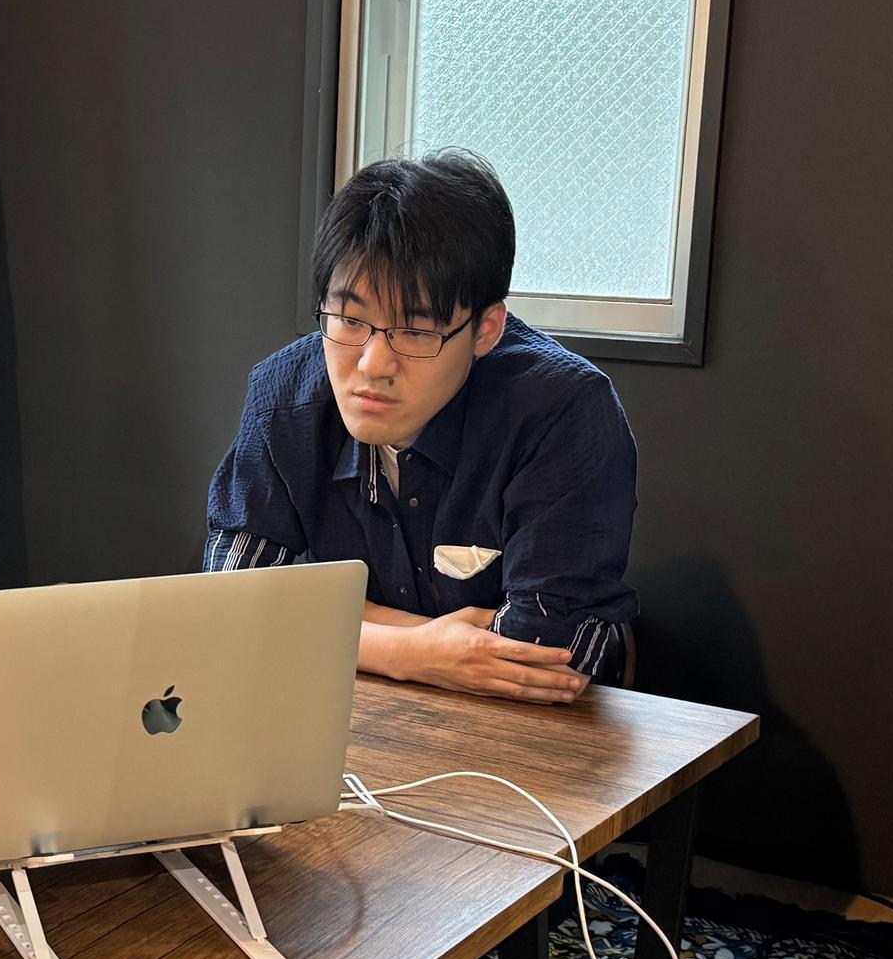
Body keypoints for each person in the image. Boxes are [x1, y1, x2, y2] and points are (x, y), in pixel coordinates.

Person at [206, 150, 638, 701]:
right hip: (355, 705)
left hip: (540, 727)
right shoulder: (284, 397)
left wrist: (317, 621)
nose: (372, 364)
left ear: (486, 330)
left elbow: (544, 652)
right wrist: (415, 651)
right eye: (350, 318)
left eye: (415, 331)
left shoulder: (561, 410)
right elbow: (229, 604)